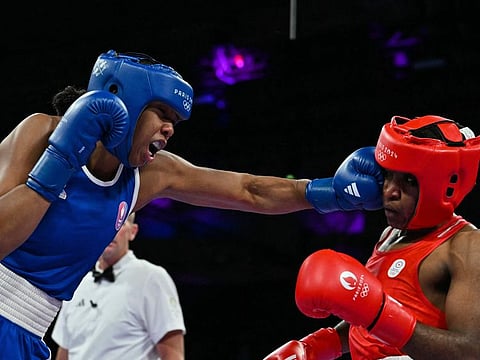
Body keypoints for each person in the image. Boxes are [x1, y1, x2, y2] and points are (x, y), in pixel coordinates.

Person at [0, 49, 384, 360]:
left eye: (176, 121)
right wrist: (60, 159)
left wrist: (326, 192)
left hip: (32, 332)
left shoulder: (149, 175)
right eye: (161, 114)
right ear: (121, 100)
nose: (169, 129)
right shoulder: (41, 132)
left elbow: (248, 190)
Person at [263, 115, 480, 360]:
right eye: (387, 175)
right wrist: (319, 345)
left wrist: (379, 314)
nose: (390, 191)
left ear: (445, 185)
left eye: (408, 180)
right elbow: (372, 317)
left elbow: (471, 351)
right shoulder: (391, 235)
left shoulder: (467, 247)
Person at [51, 212, 185, 360]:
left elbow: (173, 354)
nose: (110, 230)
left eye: (119, 223)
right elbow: (64, 353)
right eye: (105, 223)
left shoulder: (151, 278)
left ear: (132, 232)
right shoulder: (78, 283)